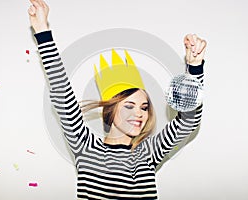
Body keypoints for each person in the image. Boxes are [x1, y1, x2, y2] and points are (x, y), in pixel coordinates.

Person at [28, 0, 206, 199]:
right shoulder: (86, 147)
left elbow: (188, 122)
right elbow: (62, 93)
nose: (139, 113)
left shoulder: (147, 153)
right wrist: (42, 31)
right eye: (129, 106)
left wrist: (194, 68)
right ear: (111, 110)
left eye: (144, 107)